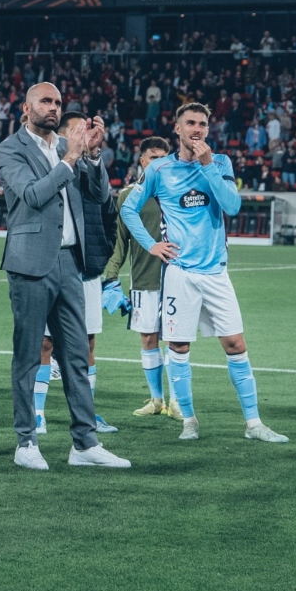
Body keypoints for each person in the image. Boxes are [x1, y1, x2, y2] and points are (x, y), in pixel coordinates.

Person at [121, 101, 288, 445]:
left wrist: (208, 164)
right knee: (179, 346)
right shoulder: (159, 170)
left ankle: (254, 423)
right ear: (178, 129)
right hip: (180, 273)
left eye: (202, 124)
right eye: (191, 123)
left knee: (235, 343)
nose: (197, 129)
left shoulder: (221, 162)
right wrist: (152, 245)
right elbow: (128, 208)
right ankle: (189, 420)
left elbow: (232, 205)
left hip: (215, 273)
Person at [0, 85, 129, 469]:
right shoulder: (11, 149)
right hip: (30, 263)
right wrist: (70, 158)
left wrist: (94, 155)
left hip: (71, 262)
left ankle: (84, 444)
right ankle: (25, 442)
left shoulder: (65, 148)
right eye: (45, 102)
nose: (53, 108)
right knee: (28, 355)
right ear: (26, 108)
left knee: (75, 357)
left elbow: (100, 196)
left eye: (57, 103)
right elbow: (32, 195)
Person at [36, 105, 119, 435]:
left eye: (86, 132)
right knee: (44, 344)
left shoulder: (91, 167)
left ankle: (89, 414)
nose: (82, 138)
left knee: (87, 344)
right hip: (49, 265)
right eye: (76, 132)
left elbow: (106, 207)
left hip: (85, 270)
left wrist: (95, 155)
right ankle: (37, 413)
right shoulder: (46, 164)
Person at [112, 137, 180, 418]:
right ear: (142, 161)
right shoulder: (128, 196)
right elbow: (119, 242)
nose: (159, 163)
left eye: (164, 158)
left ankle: (177, 402)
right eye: (154, 158)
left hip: (176, 279)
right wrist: (110, 278)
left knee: (176, 341)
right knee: (148, 339)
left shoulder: (176, 191)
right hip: (143, 280)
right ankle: (157, 400)